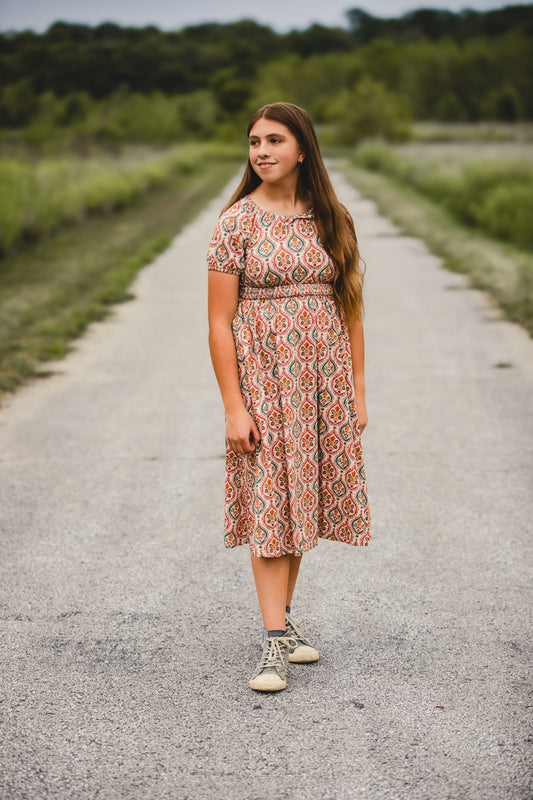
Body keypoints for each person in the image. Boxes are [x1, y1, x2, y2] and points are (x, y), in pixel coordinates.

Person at [207, 102, 371, 692]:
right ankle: (273, 642)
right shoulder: (236, 223)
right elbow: (219, 322)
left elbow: (349, 306)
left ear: (304, 149)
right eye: (254, 142)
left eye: (275, 140)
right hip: (266, 382)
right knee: (272, 505)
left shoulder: (333, 217)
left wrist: (355, 388)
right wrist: (234, 404)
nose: (262, 151)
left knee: (301, 507)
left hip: (321, 385)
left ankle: (284, 623)